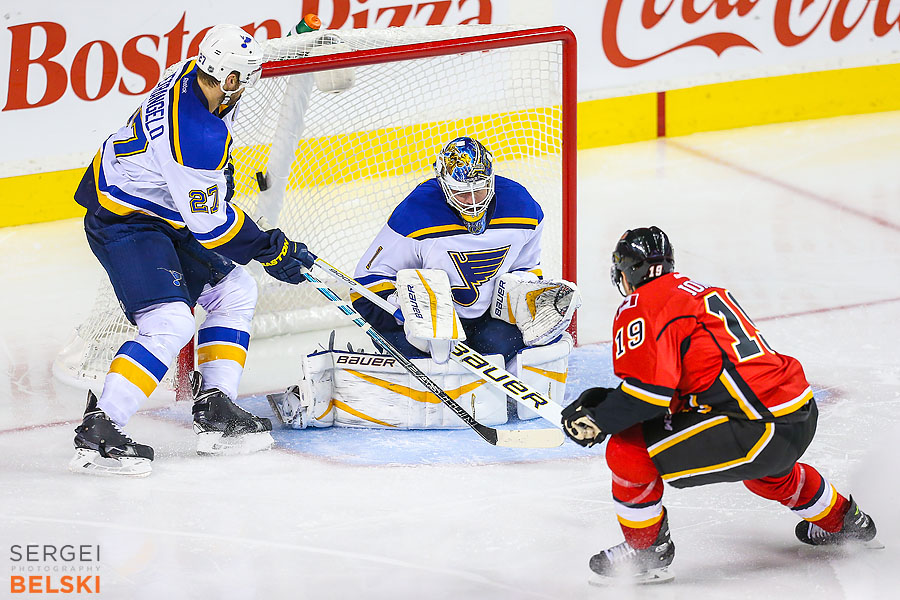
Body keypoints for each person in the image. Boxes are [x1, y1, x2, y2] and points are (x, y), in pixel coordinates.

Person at [561, 226, 879, 584]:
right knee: (768, 475)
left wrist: (600, 418)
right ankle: (846, 521)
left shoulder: (643, 304)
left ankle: (647, 551)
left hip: (755, 427)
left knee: (628, 449)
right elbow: (684, 384)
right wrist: (608, 404)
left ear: (628, 271)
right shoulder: (701, 292)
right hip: (796, 411)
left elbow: (650, 396)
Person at [69, 25, 315, 477]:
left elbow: (203, 196)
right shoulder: (196, 135)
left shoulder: (190, 73)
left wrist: (221, 185)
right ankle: (99, 429)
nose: (247, 87)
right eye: (245, 79)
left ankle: (215, 408)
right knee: (169, 321)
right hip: (125, 218)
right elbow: (212, 228)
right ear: (230, 78)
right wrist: (270, 249)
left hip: (162, 208)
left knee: (234, 290)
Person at [268, 136, 579, 430]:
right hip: (420, 330)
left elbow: (527, 269)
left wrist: (527, 295)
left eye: (480, 191)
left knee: (510, 347)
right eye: (462, 193)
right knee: (431, 366)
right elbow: (366, 283)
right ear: (444, 186)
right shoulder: (416, 215)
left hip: (483, 321)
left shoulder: (524, 209)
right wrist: (406, 313)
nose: (473, 203)